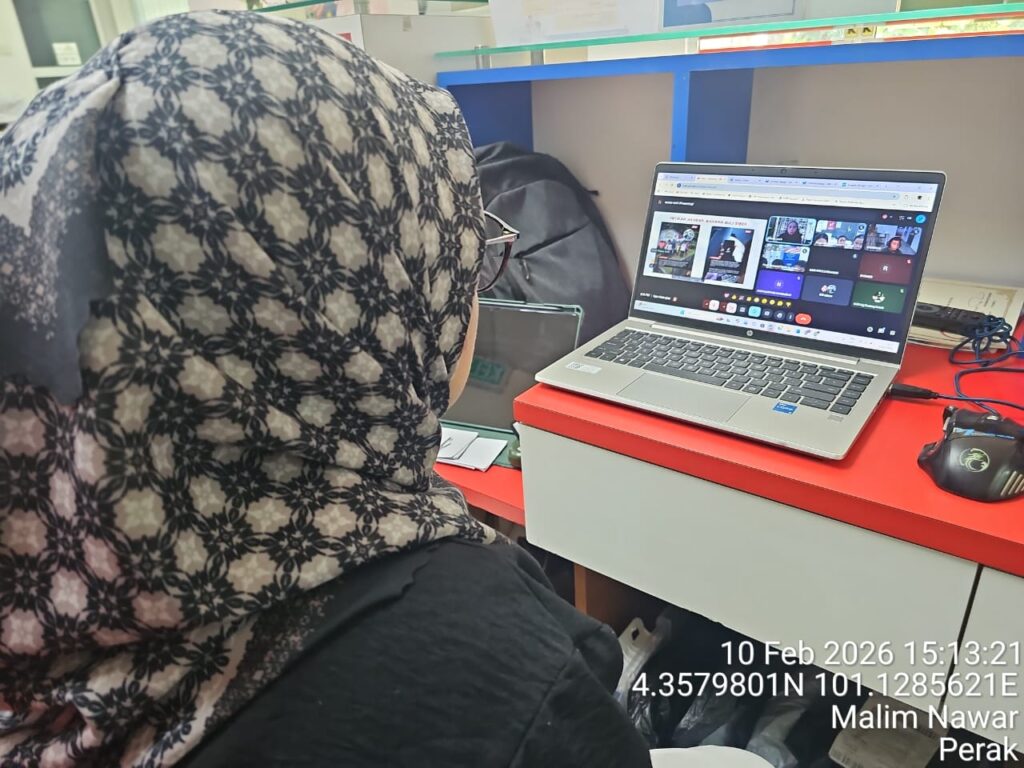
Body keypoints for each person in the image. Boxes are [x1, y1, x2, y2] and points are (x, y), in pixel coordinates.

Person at [0, 12, 652, 768]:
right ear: (341, 298)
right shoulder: (494, 675)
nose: (470, 294)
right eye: (459, 259)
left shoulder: (44, 571)